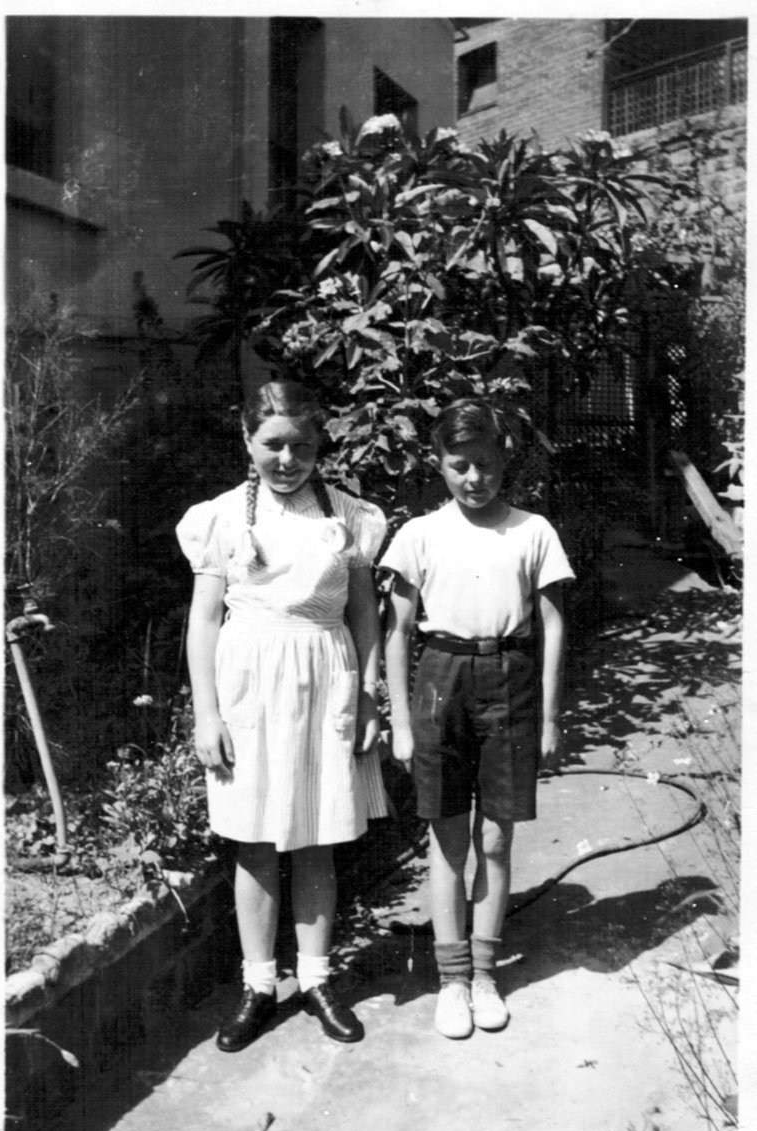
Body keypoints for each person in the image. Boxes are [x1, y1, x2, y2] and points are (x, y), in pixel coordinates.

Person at [176, 380, 387, 1051]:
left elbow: (362, 614)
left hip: (325, 676)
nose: (287, 458)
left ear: (319, 444)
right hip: (247, 683)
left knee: (317, 835)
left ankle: (319, 978)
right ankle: (259, 984)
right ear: (247, 442)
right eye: (272, 444)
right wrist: (207, 715)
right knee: (256, 840)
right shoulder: (220, 518)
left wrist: (369, 693)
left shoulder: (349, 517)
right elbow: (204, 621)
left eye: (300, 444)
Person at [381, 400, 574, 1039]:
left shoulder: (532, 530)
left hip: (510, 679)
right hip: (442, 679)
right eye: (459, 466)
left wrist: (548, 718)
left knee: (496, 836)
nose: (473, 478)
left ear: (504, 459)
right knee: (448, 838)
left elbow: (551, 625)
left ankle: (486, 972)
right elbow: (399, 633)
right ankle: (452, 980)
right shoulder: (419, 535)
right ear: (438, 464)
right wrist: (402, 723)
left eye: (485, 464)